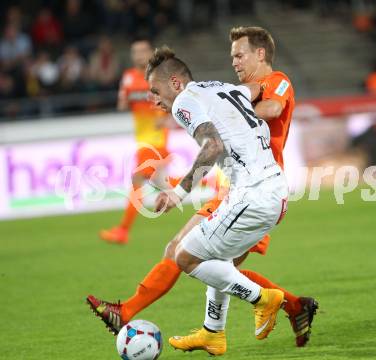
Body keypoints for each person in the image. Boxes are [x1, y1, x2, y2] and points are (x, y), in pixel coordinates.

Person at [87, 27, 318, 353]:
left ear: (260, 54)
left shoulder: (277, 81)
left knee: (183, 253)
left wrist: (224, 109)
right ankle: (258, 318)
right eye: (232, 56)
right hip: (243, 185)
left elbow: (272, 109)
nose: (234, 61)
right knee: (220, 265)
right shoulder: (232, 89)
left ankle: (126, 312)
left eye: (240, 54)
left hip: (255, 186)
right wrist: (226, 100)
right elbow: (234, 101)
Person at [149, 45, 289, 344]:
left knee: (183, 256)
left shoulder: (183, 101)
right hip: (272, 189)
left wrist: (177, 193)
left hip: (253, 194)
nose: (154, 99)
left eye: (155, 90)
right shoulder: (222, 88)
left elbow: (212, 147)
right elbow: (252, 88)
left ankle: (263, 299)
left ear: (175, 83)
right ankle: (213, 332)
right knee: (219, 257)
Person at [99, 38, 170, 244]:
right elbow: (122, 104)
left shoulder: (160, 76)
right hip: (142, 140)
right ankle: (208, 182)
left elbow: (176, 103)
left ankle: (122, 231)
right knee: (162, 183)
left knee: (138, 180)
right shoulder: (128, 77)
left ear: (150, 53)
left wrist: (166, 117)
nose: (139, 55)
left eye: (142, 51)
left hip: (156, 141)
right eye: (135, 52)